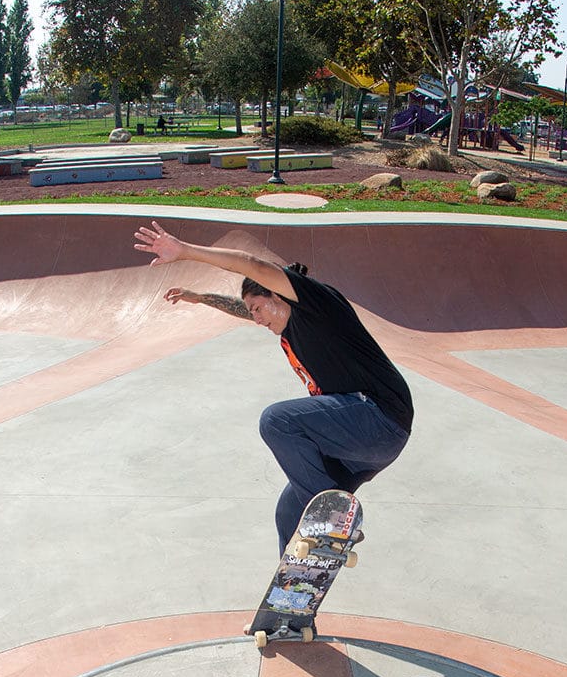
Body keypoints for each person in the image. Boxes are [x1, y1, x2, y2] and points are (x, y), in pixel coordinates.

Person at [135, 221, 413, 554]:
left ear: (278, 294)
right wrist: (202, 298)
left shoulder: (316, 304)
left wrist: (186, 252)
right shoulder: (287, 324)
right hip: (361, 448)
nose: (256, 319)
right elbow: (244, 306)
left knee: (277, 420)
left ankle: (335, 521)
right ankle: (293, 596)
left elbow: (251, 266)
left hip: (379, 417)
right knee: (290, 511)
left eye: (258, 309)